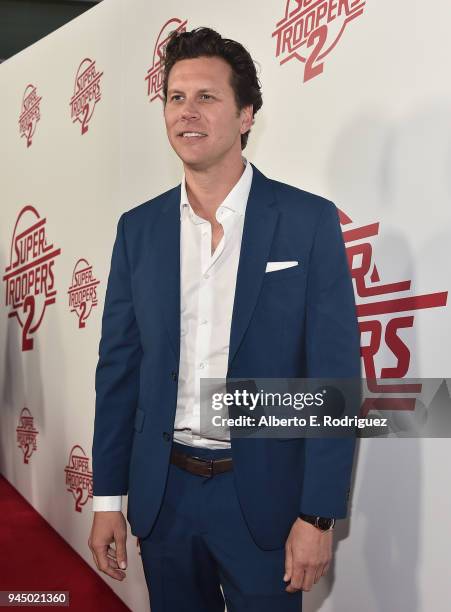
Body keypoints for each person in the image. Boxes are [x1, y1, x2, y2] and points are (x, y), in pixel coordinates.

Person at [88, 27, 360, 612]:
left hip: (263, 497)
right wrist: (108, 499)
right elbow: (119, 371)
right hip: (165, 496)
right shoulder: (138, 231)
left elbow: (334, 379)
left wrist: (318, 513)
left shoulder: (307, 222)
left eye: (207, 97)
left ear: (245, 114)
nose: (187, 112)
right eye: (175, 97)